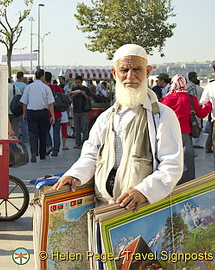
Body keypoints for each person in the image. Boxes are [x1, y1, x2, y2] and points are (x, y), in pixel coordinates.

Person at [53, 44, 183, 212]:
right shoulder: (106, 117)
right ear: (114, 73)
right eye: (124, 70)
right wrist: (74, 174)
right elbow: (91, 154)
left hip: (141, 207)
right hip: (104, 206)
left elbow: (171, 165)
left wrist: (143, 191)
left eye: (137, 69)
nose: (131, 76)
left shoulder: (163, 115)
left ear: (148, 72)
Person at [161, 74, 211, 184]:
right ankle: (187, 184)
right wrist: (208, 105)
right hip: (185, 133)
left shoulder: (166, 99)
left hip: (169, 133)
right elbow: (202, 114)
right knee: (187, 161)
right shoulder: (191, 99)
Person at [20, 69, 55, 162]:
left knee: (33, 133)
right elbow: (50, 103)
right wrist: (52, 115)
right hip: (43, 112)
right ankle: (42, 154)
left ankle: (33, 152)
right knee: (43, 133)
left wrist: (24, 113)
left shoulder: (28, 87)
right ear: (42, 76)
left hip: (31, 112)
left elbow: (24, 102)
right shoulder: (46, 87)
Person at [69, 76, 93, 149]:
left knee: (85, 128)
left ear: (82, 82)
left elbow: (90, 99)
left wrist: (85, 95)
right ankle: (78, 143)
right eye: (76, 82)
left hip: (84, 111)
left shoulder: (86, 89)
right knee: (77, 128)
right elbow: (70, 99)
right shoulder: (74, 89)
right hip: (76, 111)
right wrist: (74, 94)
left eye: (78, 82)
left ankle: (84, 143)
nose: (77, 84)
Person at [45, 71, 64, 156]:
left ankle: (49, 145)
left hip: (47, 113)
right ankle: (56, 150)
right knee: (56, 132)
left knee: (46, 131)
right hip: (58, 113)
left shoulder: (44, 88)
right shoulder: (57, 87)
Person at [186, 71, 205, 149]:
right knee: (196, 125)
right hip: (193, 110)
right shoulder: (192, 86)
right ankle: (195, 142)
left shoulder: (187, 85)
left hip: (188, 109)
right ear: (193, 78)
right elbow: (194, 99)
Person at [12, 72, 28, 142]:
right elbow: (26, 97)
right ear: (22, 77)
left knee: (14, 123)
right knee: (23, 122)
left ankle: (14, 137)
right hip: (21, 106)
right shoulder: (24, 86)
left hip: (13, 106)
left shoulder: (12, 85)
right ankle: (24, 138)